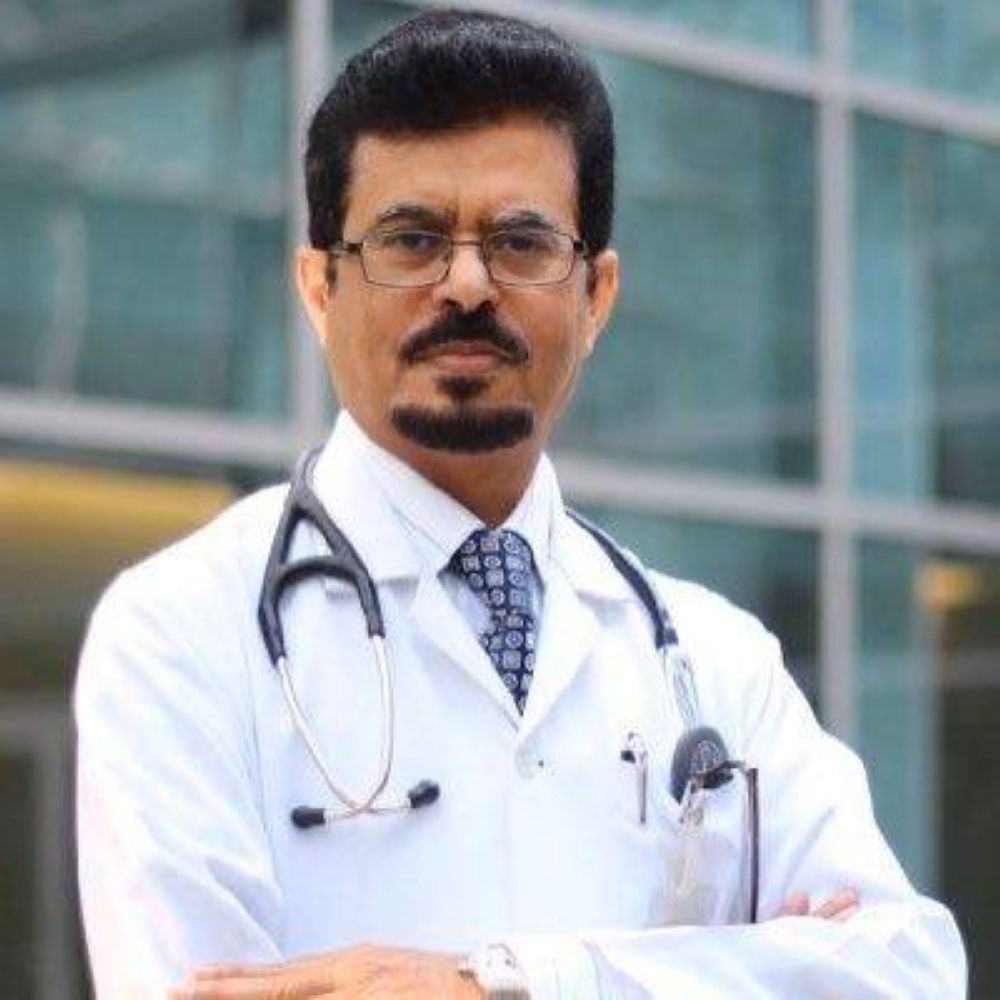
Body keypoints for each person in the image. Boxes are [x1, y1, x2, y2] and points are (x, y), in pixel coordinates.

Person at [75, 10, 966, 999]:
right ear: (320, 288)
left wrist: (512, 983)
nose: (465, 284)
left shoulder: (717, 660)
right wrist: (737, 969)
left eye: (521, 241)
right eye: (410, 239)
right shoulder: (181, 634)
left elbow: (909, 973)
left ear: (596, 297)